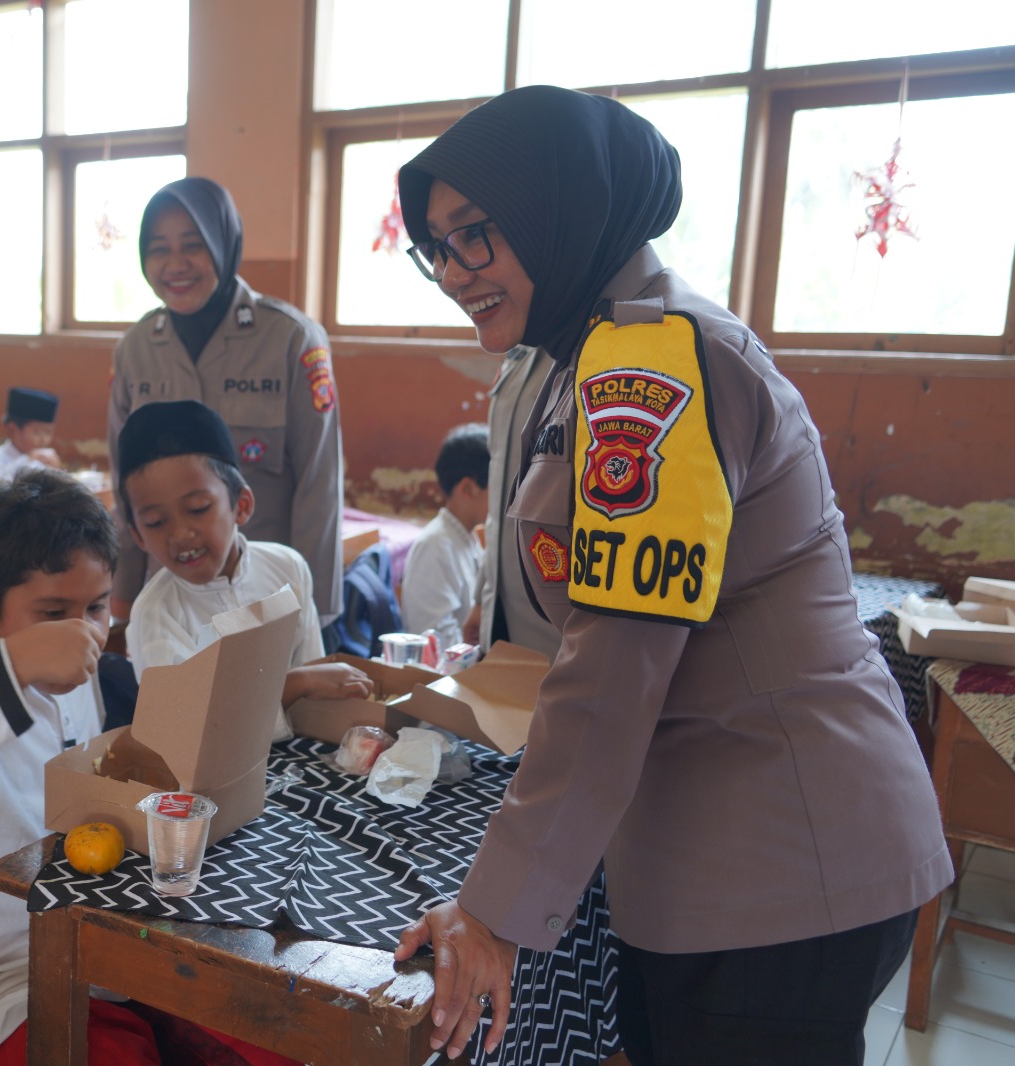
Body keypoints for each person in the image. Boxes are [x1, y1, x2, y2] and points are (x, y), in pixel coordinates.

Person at [390, 86, 952, 1065]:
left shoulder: (656, 369)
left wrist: (492, 911)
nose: (452, 271)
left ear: (561, 208)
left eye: (475, 233)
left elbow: (612, 669)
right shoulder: (584, 355)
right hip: (718, 864)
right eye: (435, 245)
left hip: (777, 862)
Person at [0, 468, 292, 1066]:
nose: (84, 632)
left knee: (273, 1032)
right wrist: (12, 665)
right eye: (54, 612)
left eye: (97, 607)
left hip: (95, 949)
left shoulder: (76, 666)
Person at [108, 177, 344, 628]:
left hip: (266, 597)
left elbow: (319, 485)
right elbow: (126, 489)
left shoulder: (290, 339)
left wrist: (315, 610)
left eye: (192, 245)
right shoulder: (135, 347)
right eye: (158, 249)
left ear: (222, 243)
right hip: (170, 602)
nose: (175, 264)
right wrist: (121, 605)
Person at [119, 400, 369, 742]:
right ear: (138, 536)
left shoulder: (287, 568)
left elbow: (314, 676)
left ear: (242, 505)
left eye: (197, 509)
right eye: (156, 522)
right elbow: (187, 728)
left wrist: (311, 684)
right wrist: (295, 683)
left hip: (301, 752)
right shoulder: (157, 613)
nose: (179, 534)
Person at [468, 345, 560, 658]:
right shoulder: (521, 348)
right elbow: (500, 504)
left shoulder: (596, 340)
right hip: (501, 612)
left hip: (556, 629)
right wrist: (483, 594)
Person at [401, 423, 489, 650]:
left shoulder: (467, 538)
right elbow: (435, 643)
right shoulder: (434, 547)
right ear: (468, 488)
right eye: (497, 486)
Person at [0, 387, 62, 484]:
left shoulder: (43, 462)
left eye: (48, 432)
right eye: (37, 432)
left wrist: (57, 472)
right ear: (13, 429)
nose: (44, 440)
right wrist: (28, 458)